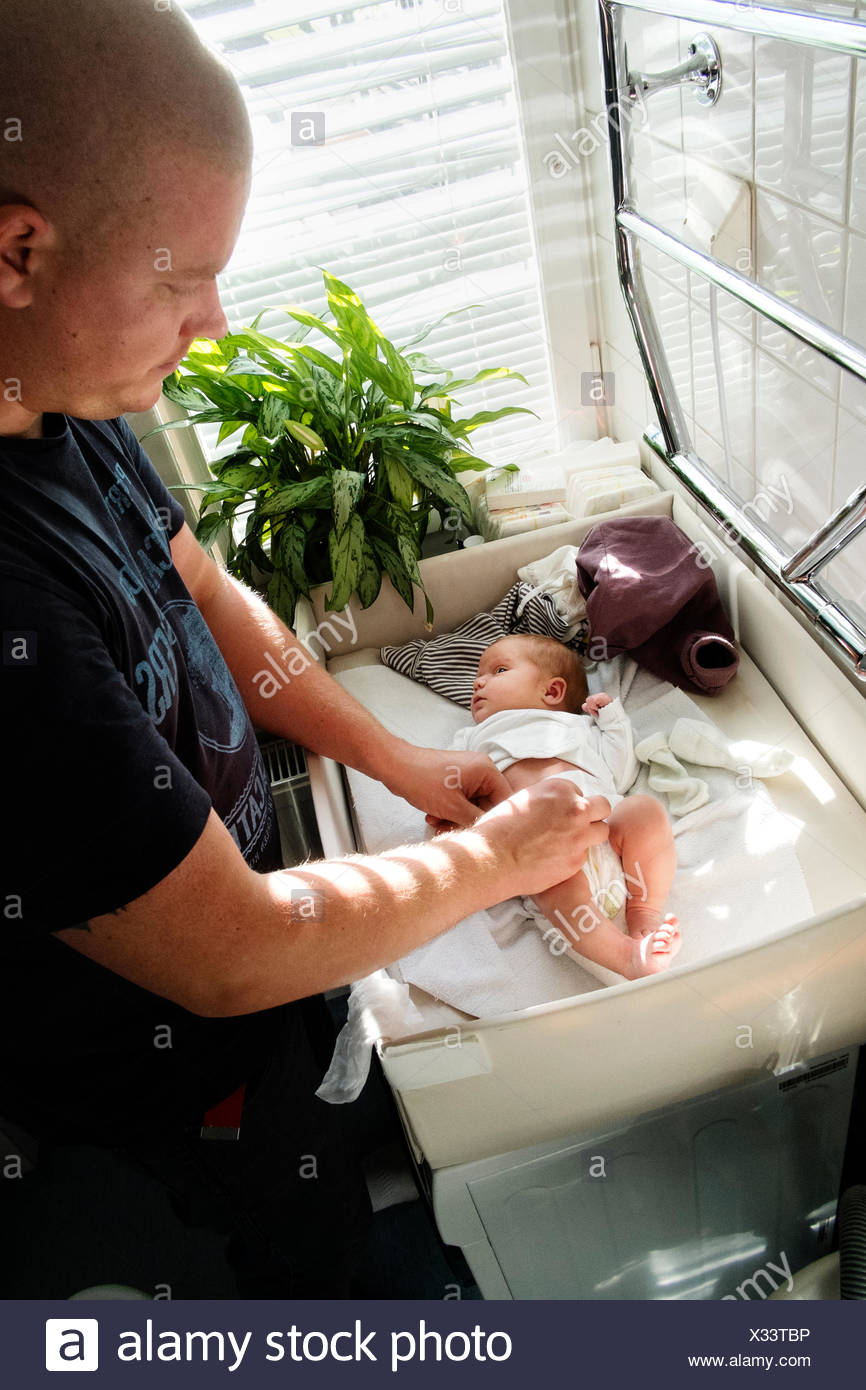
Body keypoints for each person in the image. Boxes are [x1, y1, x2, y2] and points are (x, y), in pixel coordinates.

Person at [0, 0, 611, 1298]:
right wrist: (498, 851)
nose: (212, 323)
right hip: (169, 1062)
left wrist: (400, 762)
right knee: (287, 1246)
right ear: (18, 250)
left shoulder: (45, 391)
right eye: (178, 278)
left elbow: (204, 584)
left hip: (261, 968)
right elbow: (226, 953)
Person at [452, 635, 681, 979]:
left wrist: (612, 721)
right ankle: (627, 958)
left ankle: (645, 911)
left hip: (603, 826)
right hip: (539, 848)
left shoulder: (579, 727)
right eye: (478, 676)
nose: (479, 681)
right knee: (556, 883)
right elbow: (453, 783)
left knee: (645, 811)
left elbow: (619, 772)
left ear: (553, 692)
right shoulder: (471, 738)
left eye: (498, 670)